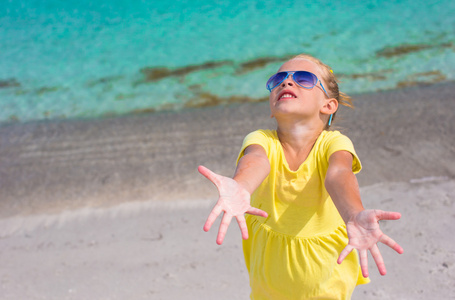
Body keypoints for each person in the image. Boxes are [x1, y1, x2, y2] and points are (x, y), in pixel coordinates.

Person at [198, 54, 403, 299]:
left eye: (303, 79)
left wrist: (354, 214)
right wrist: (241, 186)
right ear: (271, 108)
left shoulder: (334, 143)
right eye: (278, 79)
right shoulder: (261, 140)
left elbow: (338, 174)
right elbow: (255, 161)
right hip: (270, 279)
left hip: (325, 273)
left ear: (328, 105)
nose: (286, 83)